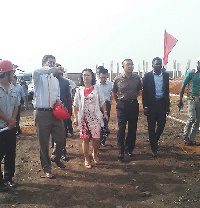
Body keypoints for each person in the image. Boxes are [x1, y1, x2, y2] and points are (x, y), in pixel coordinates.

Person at [33, 55, 66, 179]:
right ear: (43, 64)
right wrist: (53, 69)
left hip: (55, 113)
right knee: (43, 143)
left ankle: (55, 157)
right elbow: (36, 71)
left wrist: (58, 101)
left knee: (61, 138)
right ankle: (47, 168)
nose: (52, 65)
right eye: (50, 63)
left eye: (54, 63)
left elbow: (57, 95)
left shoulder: (55, 80)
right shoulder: (37, 77)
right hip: (41, 113)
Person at [73, 68, 108, 169]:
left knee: (96, 139)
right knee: (85, 139)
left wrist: (105, 112)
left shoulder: (97, 88)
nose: (86, 77)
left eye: (88, 75)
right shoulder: (79, 90)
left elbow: (102, 101)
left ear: (92, 77)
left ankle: (95, 153)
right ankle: (86, 159)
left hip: (95, 118)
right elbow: (75, 105)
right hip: (83, 119)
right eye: (84, 75)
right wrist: (75, 118)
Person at [112, 59, 142, 160]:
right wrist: (120, 102)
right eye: (127, 65)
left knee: (132, 128)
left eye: (131, 64)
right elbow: (114, 93)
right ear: (123, 67)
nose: (130, 66)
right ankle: (121, 150)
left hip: (133, 104)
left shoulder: (137, 78)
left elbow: (139, 90)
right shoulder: (118, 79)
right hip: (122, 105)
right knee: (121, 129)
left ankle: (129, 149)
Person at [142, 57, 170, 157]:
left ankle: (154, 139)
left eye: (160, 64)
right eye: (156, 64)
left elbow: (167, 91)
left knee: (162, 125)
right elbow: (144, 92)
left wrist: (168, 105)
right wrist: (145, 106)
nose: (158, 65)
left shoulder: (166, 75)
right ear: (152, 65)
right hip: (151, 105)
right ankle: (154, 148)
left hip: (162, 104)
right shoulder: (147, 76)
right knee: (151, 127)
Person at [0, 60, 19, 191]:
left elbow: (16, 105)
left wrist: (12, 120)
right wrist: (9, 120)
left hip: (10, 128)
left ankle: (8, 178)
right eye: (12, 71)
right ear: (6, 73)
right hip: (0, 127)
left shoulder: (13, 87)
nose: (14, 73)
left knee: (10, 154)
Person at [178, 57, 200, 146]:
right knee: (192, 118)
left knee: (198, 119)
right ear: (197, 63)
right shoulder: (191, 73)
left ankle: (192, 138)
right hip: (191, 98)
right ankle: (185, 136)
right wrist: (180, 99)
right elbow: (183, 85)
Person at [53, 64, 72, 161]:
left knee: (62, 131)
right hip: (51, 110)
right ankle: (54, 151)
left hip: (62, 110)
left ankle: (63, 151)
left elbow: (68, 96)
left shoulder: (65, 82)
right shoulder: (49, 80)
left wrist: (70, 110)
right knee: (52, 132)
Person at [96, 67, 112, 146]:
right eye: (102, 77)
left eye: (105, 77)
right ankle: (97, 139)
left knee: (105, 122)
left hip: (107, 104)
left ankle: (103, 140)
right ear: (99, 76)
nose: (103, 79)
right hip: (97, 105)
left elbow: (112, 94)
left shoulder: (110, 84)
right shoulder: (95, 85)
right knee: (98, 122)